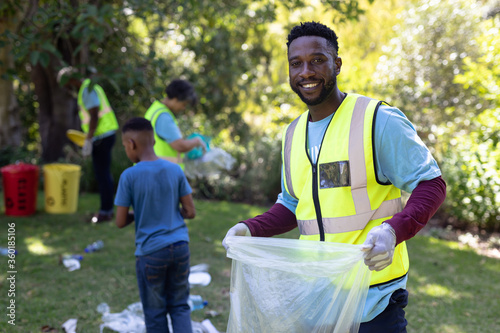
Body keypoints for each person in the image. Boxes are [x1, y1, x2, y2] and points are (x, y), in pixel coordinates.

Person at [222, 21, 447, 332]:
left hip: (374, 300)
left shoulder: (376, 120)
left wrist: (393, 232)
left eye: (317, 60)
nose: (306, 72)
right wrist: (249, 228)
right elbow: (292, 204)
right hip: (317, 299)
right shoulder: (292, 134)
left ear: (337, 64)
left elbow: (431, 184)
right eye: (296, 63)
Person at [114, 117, 196, 332]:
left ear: (131, 143)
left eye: (124, 146)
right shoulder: (175, 170)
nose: (126, 149)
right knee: (179, 306)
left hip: (151, 253)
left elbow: (120, 221)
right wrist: (168, 211)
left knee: (155, 311)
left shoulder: (129, 176)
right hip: (180, 247)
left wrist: (142, 213)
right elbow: (190, 211)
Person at [57, 66, 119, 223]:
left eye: (65, 84)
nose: (66, 88)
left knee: (102, 173)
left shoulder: (87, 89)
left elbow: (94, 114)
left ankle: (106, 212)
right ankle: (106, 209)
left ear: (70, 80)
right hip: (104, 135)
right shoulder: (89, 87)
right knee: (102, 173)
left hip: (102, 137)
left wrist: (89, 138)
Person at [144, 79, 205, 170]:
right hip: (160, 174)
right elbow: (180, 146)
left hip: (152, 171)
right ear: (175, 99)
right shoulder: (164, 117)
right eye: (184, 104)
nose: (184, 108)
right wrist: (196, 141)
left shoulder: (155, 110)